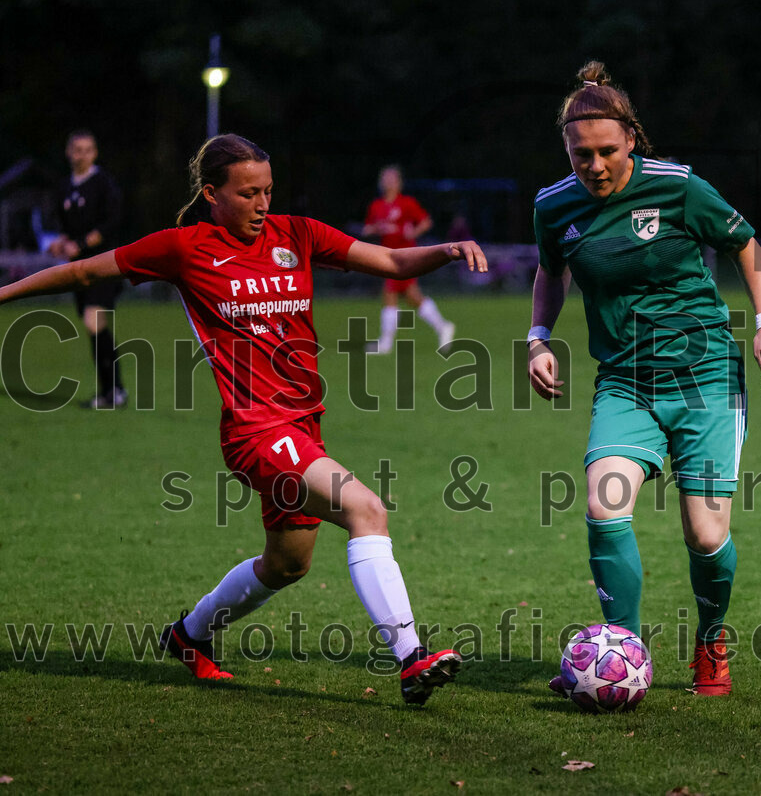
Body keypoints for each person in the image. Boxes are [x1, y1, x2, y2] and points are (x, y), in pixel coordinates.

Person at [0, 133, 488, 704]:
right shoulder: (184, 247)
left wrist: (447, 250)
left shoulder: (296, 234)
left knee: (286, 565)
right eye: (248, 193)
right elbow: (83, 272)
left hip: (303, 425)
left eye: (268, 191)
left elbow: (388, 260)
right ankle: (410, 658)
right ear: (212, 193)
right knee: (366, 508)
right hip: (256, 430)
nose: (262, 204)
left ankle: (189, 636)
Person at [528, 63, 761, 697]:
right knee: (603, 502)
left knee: (705, 534)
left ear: (631, 141)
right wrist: (538, 338)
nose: (593, 165)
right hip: (625, 382)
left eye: (607, 152)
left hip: (705, 379)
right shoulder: (554, 205)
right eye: (580, 154)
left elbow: (745, 245)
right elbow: (551, 270)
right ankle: (622, 651)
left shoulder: (677, 187)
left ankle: (712, 641)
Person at [50, 130, 127, 409]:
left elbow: (111, 224)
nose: (81, 154)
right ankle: (113, 390)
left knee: (94, 322)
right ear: (68, 152)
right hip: (78, 271)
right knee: (94, 326)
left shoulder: (104, 184)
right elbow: (64, 227)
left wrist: (80, 245)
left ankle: (113, 392)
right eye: (76, 149)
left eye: (87, 149)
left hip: (103, 268)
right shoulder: (63, 187)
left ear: (94, 153)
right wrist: (60, 243)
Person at [362, 165, 455, 353]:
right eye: (385, 178)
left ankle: (386, 343)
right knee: (412, 297)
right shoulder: (377, 206)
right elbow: (367, 228)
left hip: (406, 256)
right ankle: (443, 326)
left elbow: (426, 221)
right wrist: (377, 229)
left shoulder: (406, 203)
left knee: (390, 294)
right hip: (386, 256)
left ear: (399, 183)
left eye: (392, 178)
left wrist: (413, 231)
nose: (388, 182)